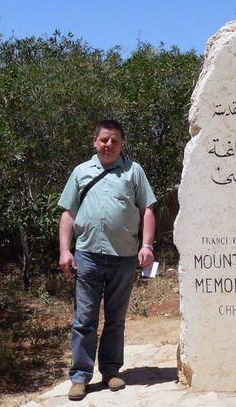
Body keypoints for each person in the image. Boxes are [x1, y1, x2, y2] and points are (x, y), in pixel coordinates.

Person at [58, 120, 156, 401]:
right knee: (84, 319)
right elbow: (68, 214)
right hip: (87, 255)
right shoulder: (81, 172)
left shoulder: (134, 171)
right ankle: (80, 377)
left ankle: (111, 371)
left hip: (124, 257)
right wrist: (65, 251)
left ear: (122, 144)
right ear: (95, 141)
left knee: (115, 319)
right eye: (104, 139)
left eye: (114, 140)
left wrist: (146, 245)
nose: (108, 145)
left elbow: (147, 209)